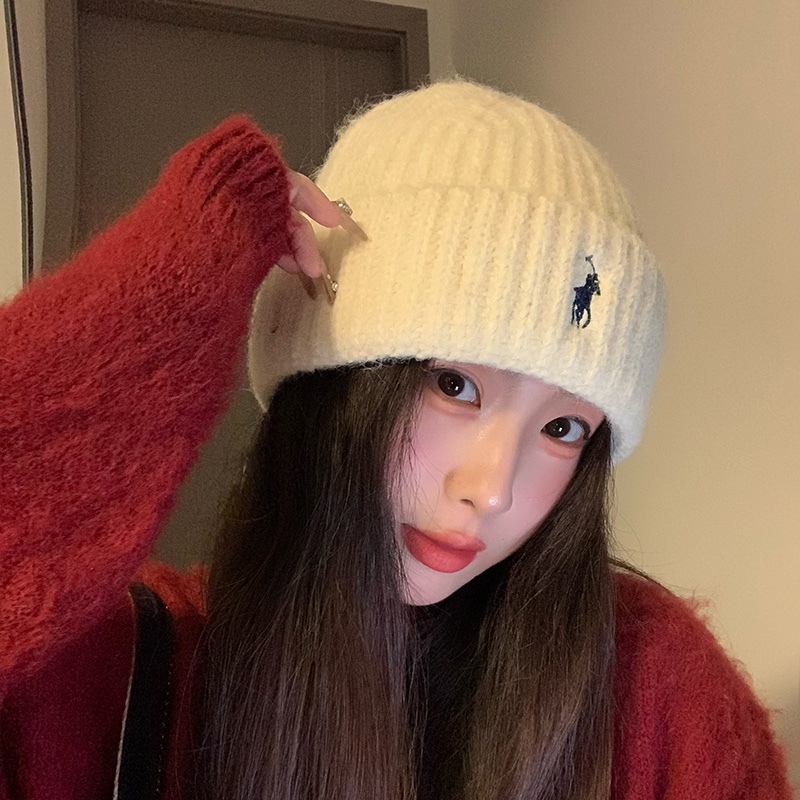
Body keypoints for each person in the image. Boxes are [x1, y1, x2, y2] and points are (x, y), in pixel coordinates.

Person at [0, 78, 791, 800]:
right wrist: (182, 258)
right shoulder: (125, 672)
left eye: (562, 427)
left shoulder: (656, 689)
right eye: (454, 385)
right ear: (331, 382)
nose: (492, 489)